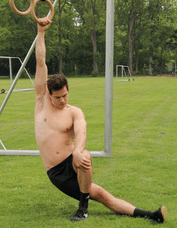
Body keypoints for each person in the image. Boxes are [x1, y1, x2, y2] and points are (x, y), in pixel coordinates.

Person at [34, 17, 167, 222]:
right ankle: (85, 204)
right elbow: (40, 62)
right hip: (56, 171)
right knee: (100, 195)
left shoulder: (74, 111)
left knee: (86, 159)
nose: (62, 100)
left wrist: (78, 151)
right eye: (58, 97)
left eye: (65, 95)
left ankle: (152, 215)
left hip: (73, 160)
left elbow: (82, 130)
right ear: (49, 94)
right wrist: (41, 33)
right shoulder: (41, 101)